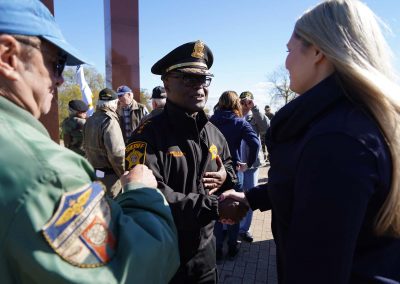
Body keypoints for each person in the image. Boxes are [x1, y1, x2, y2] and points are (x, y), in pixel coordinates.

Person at [0, 1, 179, 283]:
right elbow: (131, 272)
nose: (59, 80)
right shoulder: (46, 172)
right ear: (8, 57)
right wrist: (141, 192)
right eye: (55, 63)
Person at [221, 0, 400, 283]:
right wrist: (252, 197)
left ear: (317, 51)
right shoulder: (353, 121)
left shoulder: (336, 140)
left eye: (290, 50)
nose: (287, 61)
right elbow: (315, 188)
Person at [125, 40, 245, 283]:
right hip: (165, 263)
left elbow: (229, 167)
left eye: (204, 80)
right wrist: (212, 207)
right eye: (189, 79)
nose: (199, 87)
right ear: (166, 82)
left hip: (205, 262)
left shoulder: (212, 131)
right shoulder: (147, 135)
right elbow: (149, 196)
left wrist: (227, 178)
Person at [210, 91, 260, 260]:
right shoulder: (239, 123)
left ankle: (217, 249)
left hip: (215, 172)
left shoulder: (210, 121)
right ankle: (232, 247)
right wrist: (249, 163)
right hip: (233, 172)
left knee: (215, 210)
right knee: (235, 208)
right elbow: (255, 143)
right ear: (236, 104)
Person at [238, 91, 269, 242]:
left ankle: (244, 229)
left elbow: (266, 128)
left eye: (248, 101)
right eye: (242, 101)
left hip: (251, 164)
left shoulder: (254, 116)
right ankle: (231, 226)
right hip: (237, 164)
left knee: (250, 197)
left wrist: (255, 108)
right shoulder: (235, 113)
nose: (245, 104)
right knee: (235, 195)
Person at [83, 88, 125, 198]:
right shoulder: (110, 121)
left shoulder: (90, 120)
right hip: (111, 179)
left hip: (95, 174)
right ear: (114, 103)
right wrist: (124, 174)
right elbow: (117, 154)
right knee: (113, 211)